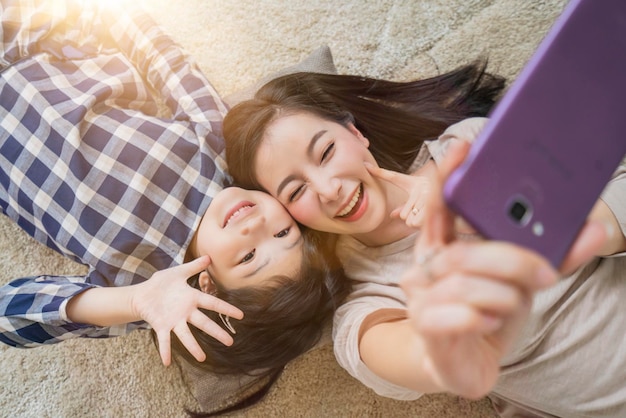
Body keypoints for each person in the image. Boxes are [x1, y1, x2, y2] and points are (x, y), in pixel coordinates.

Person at [223, 68, 626, 417]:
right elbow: (433, 358)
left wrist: (479, 207)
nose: (329, 190)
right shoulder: (365, 303)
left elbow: (613, 182)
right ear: (289, 216)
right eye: (296, 192)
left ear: (354, 133)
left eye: (326, 151)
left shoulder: (466, 146)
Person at [0, 0, 350, 393]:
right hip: (36, 42)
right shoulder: (218, 151)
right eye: (284, 233)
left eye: (249, 256)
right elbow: (169, 65)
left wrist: (137, 301)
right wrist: (99, 16)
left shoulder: (143, 285)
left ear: (208, 287)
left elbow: (10, 314)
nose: (257, 226)